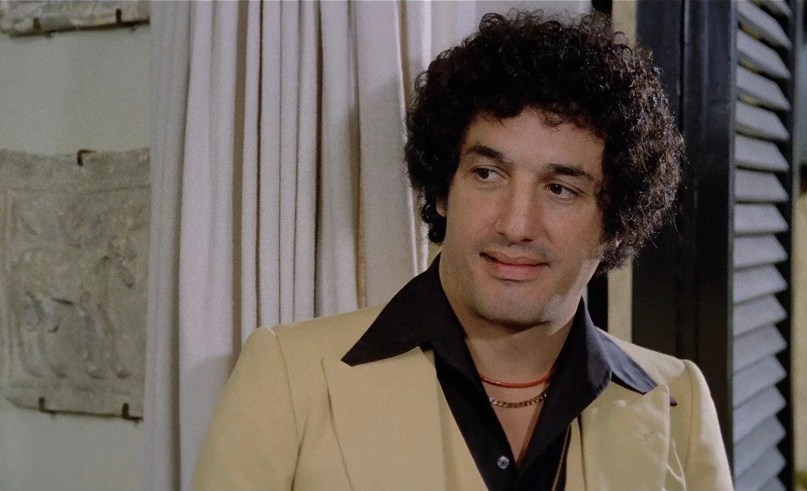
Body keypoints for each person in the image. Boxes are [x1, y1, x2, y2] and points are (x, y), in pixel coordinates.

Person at [193, 11, 733, 491]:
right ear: (443, 190)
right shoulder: (287, 377)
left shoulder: (678, 402)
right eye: (487, 174)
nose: (516, 226)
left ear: (615, 222)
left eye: (560, 189)